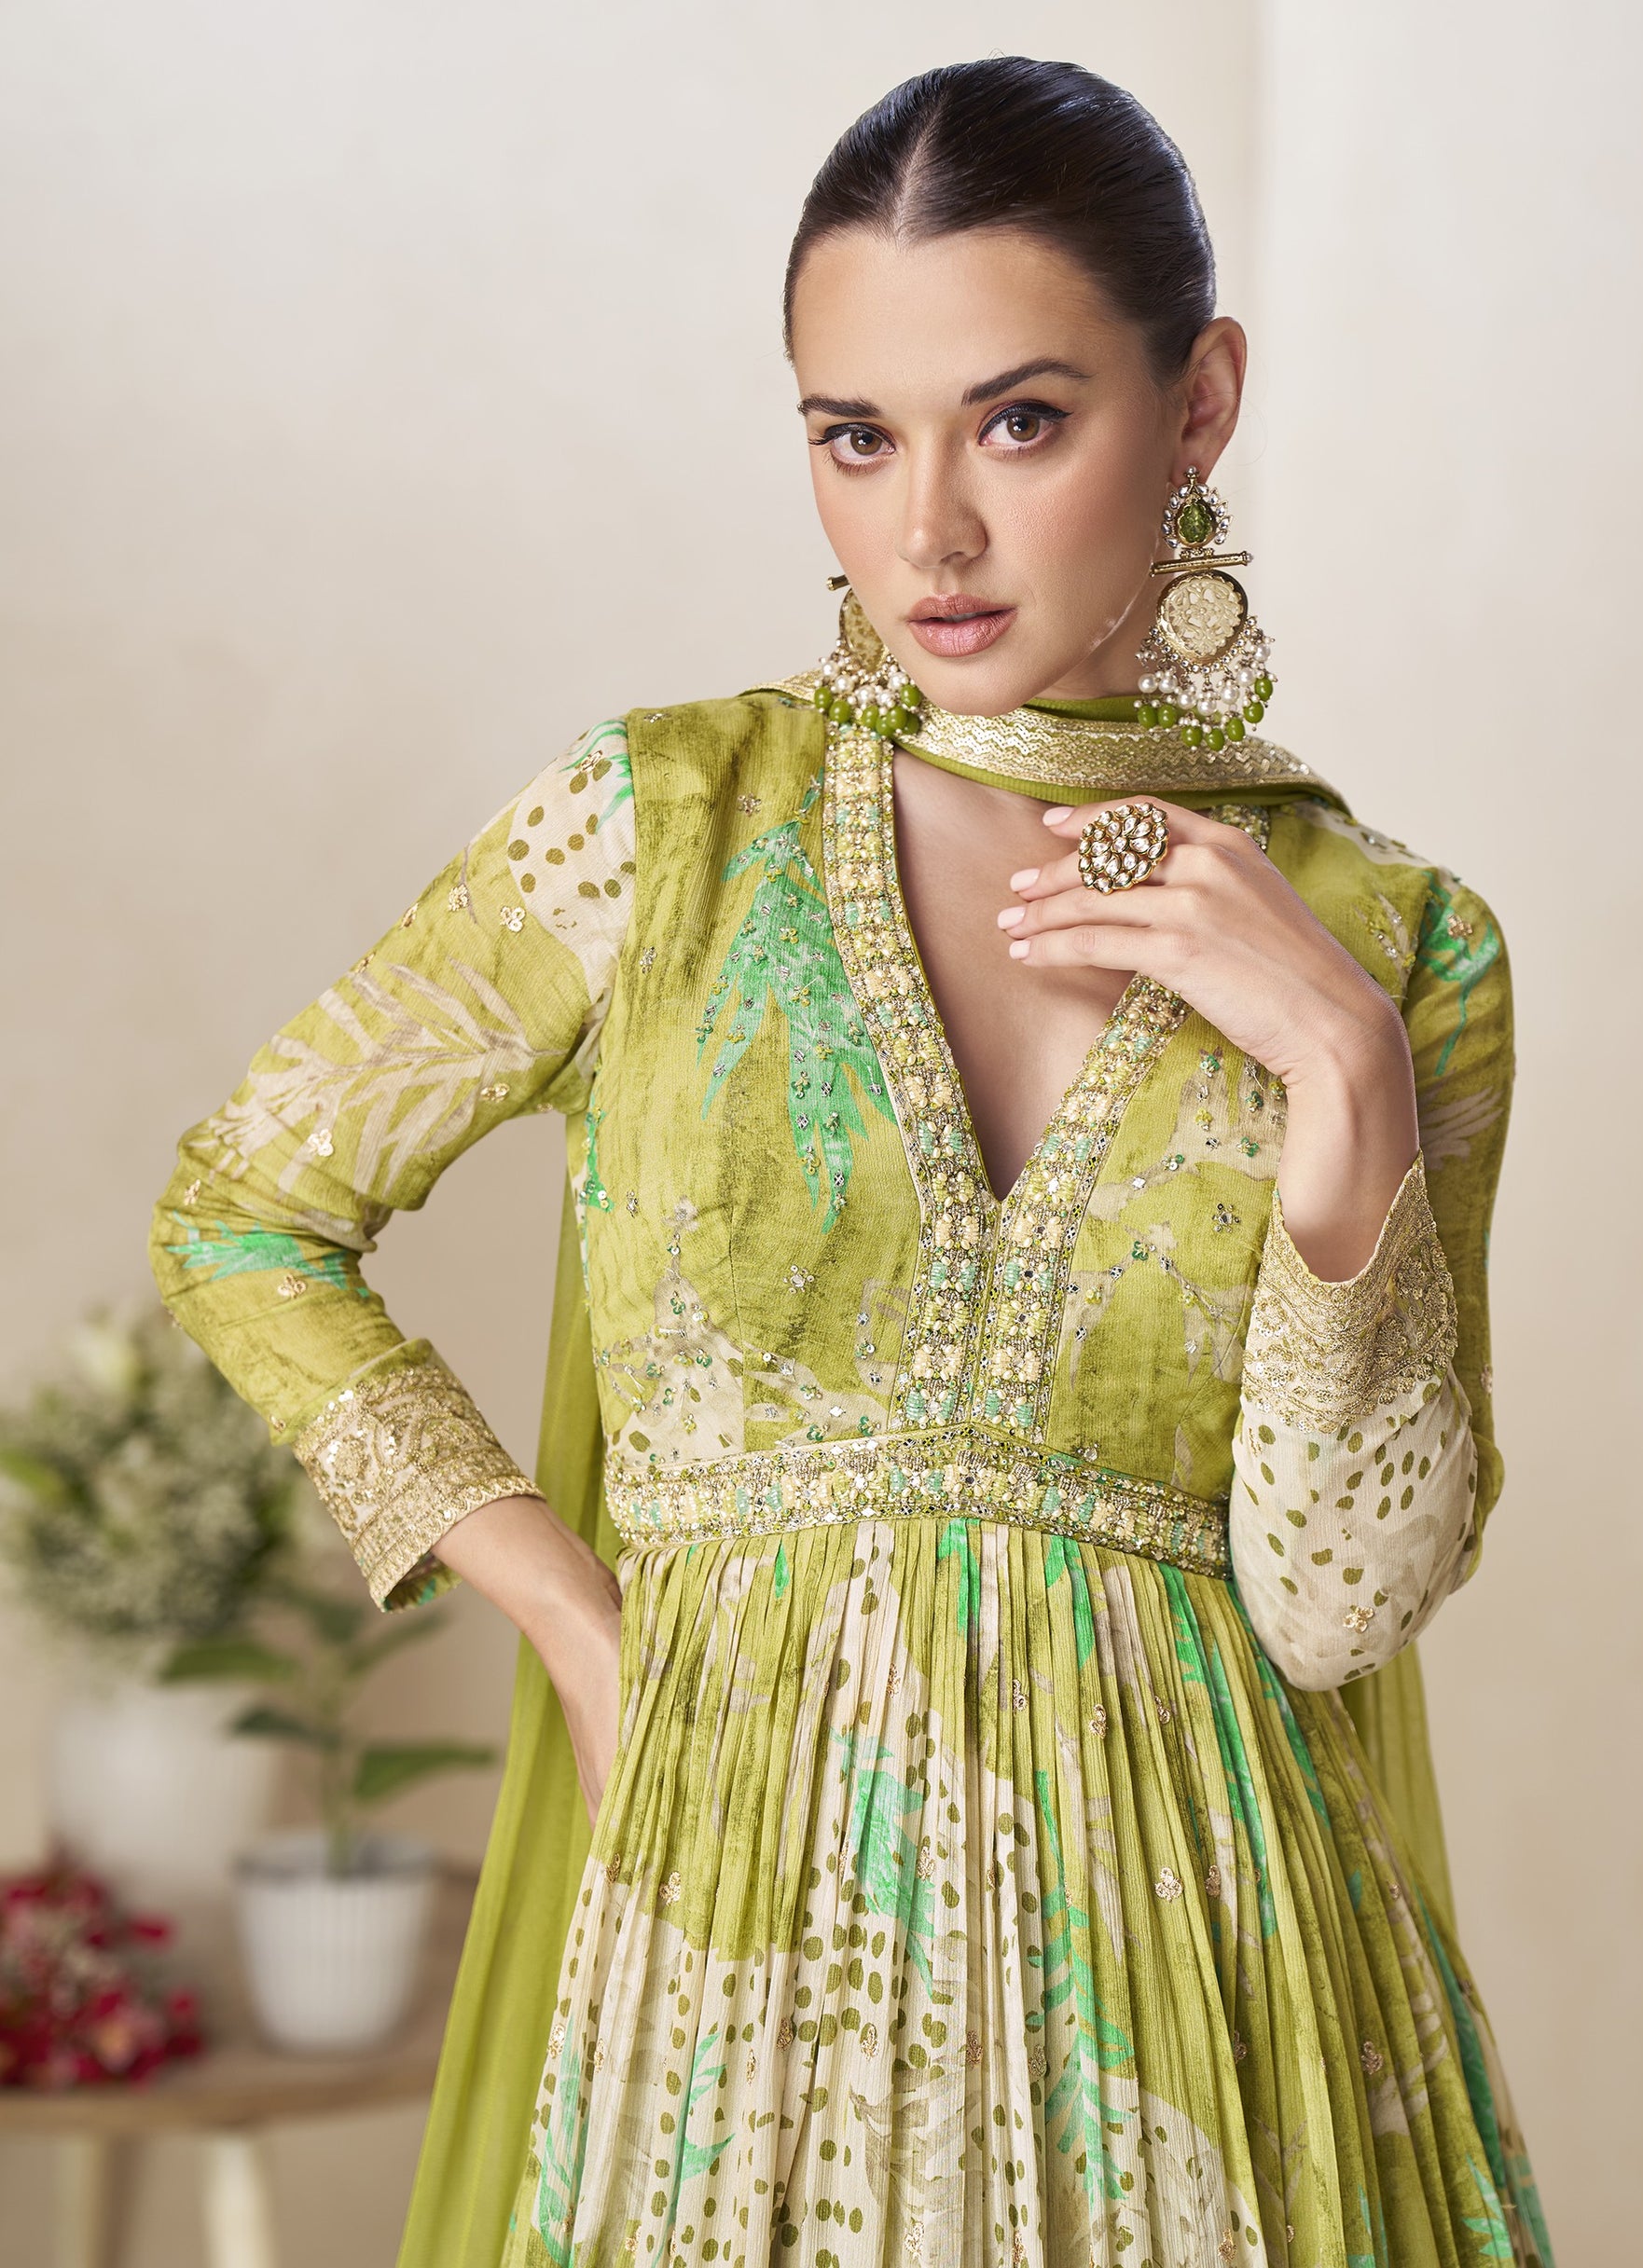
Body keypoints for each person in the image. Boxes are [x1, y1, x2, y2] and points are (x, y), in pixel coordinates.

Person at [150, 57, 1553, 2268]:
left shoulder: (1394, 947)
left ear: (1196, 408)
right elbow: (244, 1207)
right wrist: (580, 1625)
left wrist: (1344, 1082)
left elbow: (1339, 1600)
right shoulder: (659, 829)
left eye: (1018, 419)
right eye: (853, 435)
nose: (928, 536)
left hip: (1211, 1994)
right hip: (741, 1952)